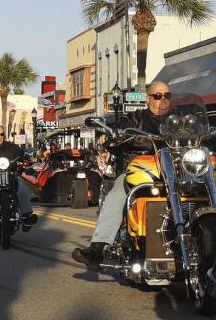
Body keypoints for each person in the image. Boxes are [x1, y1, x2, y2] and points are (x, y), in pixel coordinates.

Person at [72, 80, 173, 264]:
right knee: (117, 193)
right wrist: (112, 138)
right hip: (138, 172)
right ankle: (98, 248)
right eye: (158, 96)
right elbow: (120, 132)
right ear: (148, 98)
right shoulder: (134, 118)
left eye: (167, 95)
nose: (163, 100)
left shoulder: (179, 120)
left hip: (174, 172)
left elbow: (200, 134)